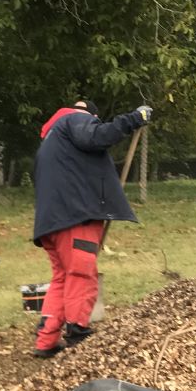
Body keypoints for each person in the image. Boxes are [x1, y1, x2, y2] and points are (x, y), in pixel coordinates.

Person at [31, 98, 151, 357]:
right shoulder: (76, 120)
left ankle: (46, 341)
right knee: (81, 274)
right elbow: (96, 136)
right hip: (76, 217)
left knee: (62, 278)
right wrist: (134, 119)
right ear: (92, 116)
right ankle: (78, 332)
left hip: (51, 222)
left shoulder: (52, 138)